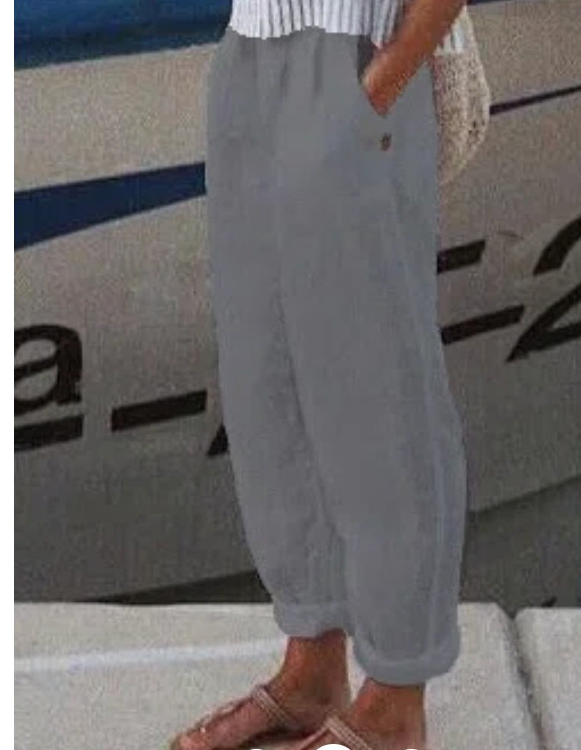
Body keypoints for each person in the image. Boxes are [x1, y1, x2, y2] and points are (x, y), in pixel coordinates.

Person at [172, 1, 470, 748]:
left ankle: (396, 701)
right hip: (249, 51)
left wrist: (377, 87)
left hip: (359, 52)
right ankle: (311, 670)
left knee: (377, 395)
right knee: (266, 383)